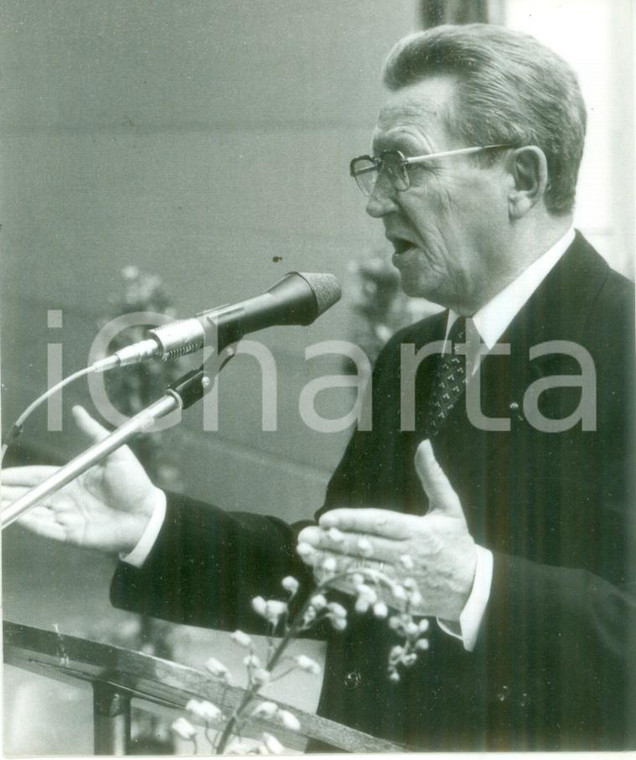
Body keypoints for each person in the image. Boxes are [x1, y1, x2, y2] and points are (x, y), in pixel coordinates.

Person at [3, 24, 635, 751]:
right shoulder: (418, 354)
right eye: (376, 169)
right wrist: (150, 524)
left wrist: (473, 587)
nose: (377, 203)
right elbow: (335, 572)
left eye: (407, 166)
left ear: (521, 178)